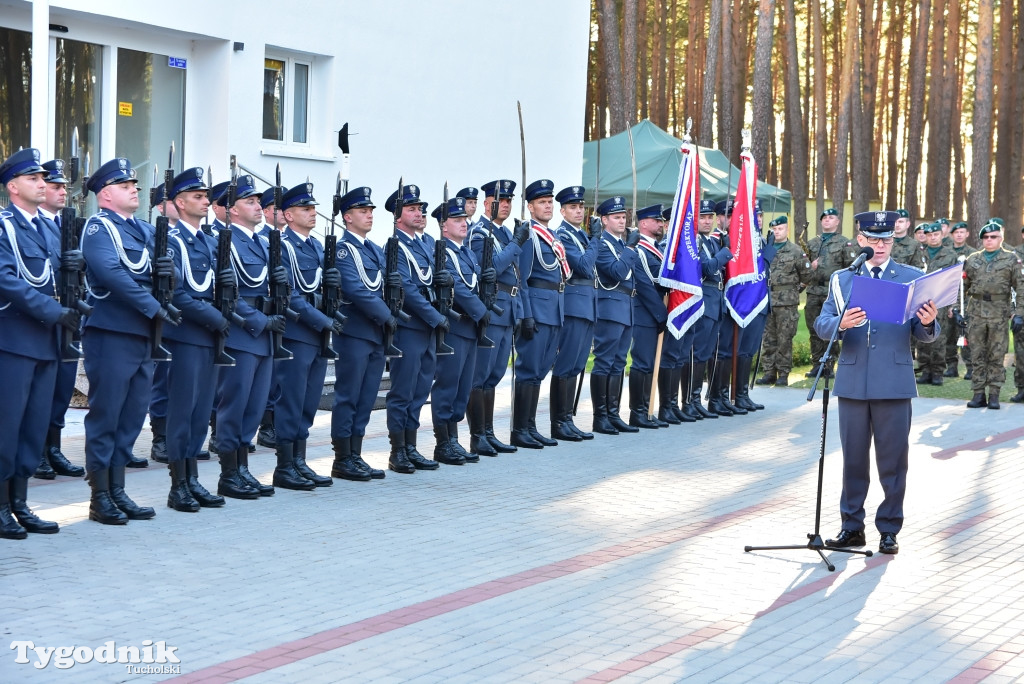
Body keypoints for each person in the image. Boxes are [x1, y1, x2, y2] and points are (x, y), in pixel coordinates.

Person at [816, 210, 939, 555]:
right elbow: (822, 322)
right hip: (853, 381)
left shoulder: (911, 277)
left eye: (886, 239)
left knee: (893, 460)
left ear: (893, 241)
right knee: (853, 460)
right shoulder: (842, 279)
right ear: (861, 241)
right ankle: (851, 527)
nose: (880, 245)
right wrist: (840, 324)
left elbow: (924, 333)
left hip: (894, 381)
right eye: (873, 239)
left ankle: (889, 529)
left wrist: (928, 323)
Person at [80, 157, 179, 525]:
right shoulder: (97, 228)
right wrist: (153, 305)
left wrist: (170, 277)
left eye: (134, 186)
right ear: (105, 194)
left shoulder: (145, 229)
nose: (134, 190)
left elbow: (173, 269)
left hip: (143, 335)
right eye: (125, 186)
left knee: (133, 414)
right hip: (112, 333)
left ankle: (118, 489)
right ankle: (99, 495)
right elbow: (112, 274)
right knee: (107, 413)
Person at [0, 148, 67, 538]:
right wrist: (54, 310)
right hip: (14, 339)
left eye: (43, 179)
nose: (42, 184)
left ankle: (20, 501)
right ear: (13, 187)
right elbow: (7, 279)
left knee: (33, 425)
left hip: (47, 341)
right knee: (7, 425)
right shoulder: (4, 225)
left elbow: (63, 276)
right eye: (33, 179)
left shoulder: (48, 228)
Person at [214, 174, 287, 499]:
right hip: (243, 334)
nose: (258, 207)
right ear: (231, 209)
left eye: (258, 201)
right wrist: (260, 320)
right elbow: (225, 293)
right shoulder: (223, 240)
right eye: (250, 201)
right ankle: (229, 473)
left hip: (264, 334)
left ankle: (243, 468)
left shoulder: (262, 241)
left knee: (255, 406)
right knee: (235, 404)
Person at [161, 167, 227, 511]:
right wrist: (216, 317)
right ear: (180, 202)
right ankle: (178, 485)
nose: (205, 202)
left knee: (202, 412)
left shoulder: (210, 241)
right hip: (186, 335)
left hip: (208, 338)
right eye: (199, 197)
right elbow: (178, 294)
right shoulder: (173, 241)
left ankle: (193, 479)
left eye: (206, 197)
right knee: (183, 411)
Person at [272, 182, 338, 489]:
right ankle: (285, 466)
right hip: (298, 333)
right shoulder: (282, 246)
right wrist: (322, 320)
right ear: (287, 214)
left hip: (317, 334)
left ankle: (299, 460)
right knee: (292, 401)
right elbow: (290, 296)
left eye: (313, 209)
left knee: (309, 402)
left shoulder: (315, 246)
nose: (313, 214)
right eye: (305, 209)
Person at [383, 184, 450, 473]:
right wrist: (434, 316)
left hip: (428, 330)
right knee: (403, 390)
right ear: (398, 216)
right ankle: (397, 450)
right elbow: (408, 289)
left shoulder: (425, 244)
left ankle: (411, 445)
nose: (419, 213)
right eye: (412, 209)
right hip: (410, 327)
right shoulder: (394, 246)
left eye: (420, 208)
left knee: (421, 389)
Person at [329, 187, 391, 481]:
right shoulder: (344, 250)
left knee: (367, 398)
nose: (369, 216)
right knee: (349, 396)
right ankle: (342, 458)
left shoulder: (374, 249)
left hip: (376, 335)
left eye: (371, 212)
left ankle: (356, 453)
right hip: (354, 333)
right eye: (363, 212)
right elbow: (355, 289)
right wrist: (388, 316)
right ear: (347, 217)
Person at [467, 180, 529, 455]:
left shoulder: (502, 234)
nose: (505, 205)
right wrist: (516, 243)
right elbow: (490, 268)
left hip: (508, 309)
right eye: (499, 200)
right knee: (480, 375)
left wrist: (523, 313)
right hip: (491, 308)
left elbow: (518, 276)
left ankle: (489, 432)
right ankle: (477, 435)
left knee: (494, 375)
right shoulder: (480, 233)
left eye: (508, 201)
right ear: (486, 203)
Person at [430, 197, 493, 464]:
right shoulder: (441, 252)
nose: (464, 224)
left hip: (469, 327)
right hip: (455, 326)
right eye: (457, 220)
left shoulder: (465, 252)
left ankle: (454, 440)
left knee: (463, 386)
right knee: (448, 384)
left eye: (464, 219)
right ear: (444, 226)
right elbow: (459, 290)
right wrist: (482, 311)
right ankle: (443, 443)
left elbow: (474, 285)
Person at [34, 158, 86, 479]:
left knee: (63, 386)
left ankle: (53, 447)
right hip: (42, 317)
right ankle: (37, 450)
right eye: (55, 186)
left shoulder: (69, 223)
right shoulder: (30, 224)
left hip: (69, 316)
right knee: (41, 388)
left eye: (65, 186)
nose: (62, 191)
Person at [513, 179, 567, 448]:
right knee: (528, 370)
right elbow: (522, 277)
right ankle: (519, 429)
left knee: (540, 372)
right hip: (536, 308)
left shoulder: (553, 236)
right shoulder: (530, 234)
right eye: (542, 203)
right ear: (530, 207)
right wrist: (526, 313)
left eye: (550, 202)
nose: (548, 206)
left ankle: (531, 426)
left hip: (554, 310)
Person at [551, 185, 599, 440]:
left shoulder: (581, 236)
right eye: (573, 207)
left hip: (587, 305)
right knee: (567, 363)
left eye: (581, 207)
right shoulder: (564, 235)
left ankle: (567, 418)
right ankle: (558, 422)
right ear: (563, 210)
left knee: (578, 364)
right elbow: (581, 266)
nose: (579, 211)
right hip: (573, 305)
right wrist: (597, 240)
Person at [591, 196, 641, 434]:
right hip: (610, 306)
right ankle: (600, 416)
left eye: (624, 217)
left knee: (619, 363)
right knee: (605, 361)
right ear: (604, 220)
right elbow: (616, 272)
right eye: (616, 217)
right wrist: (631, 248)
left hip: (627, 306)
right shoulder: (602, 244)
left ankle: (613, 413)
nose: (622, 221)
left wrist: (628, 248)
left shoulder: (622, 245)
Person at [962, 221, 1023, 410]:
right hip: (976, 311)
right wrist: (957, 310)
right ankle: (978, 394)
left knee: (997, 354)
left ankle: (994, 394)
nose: (989, 240)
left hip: (999, 312)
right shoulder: (972, 259)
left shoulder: (1011, 260)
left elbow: (1020, 288)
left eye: (993, 237)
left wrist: (1019, 313)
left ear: (1001, 238)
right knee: (977, 354)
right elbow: (961, 288)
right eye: (986, 237)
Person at [688, 199, 733, 419]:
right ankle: (691, 399)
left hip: (715, 300)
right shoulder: (694, 241)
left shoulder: (711, 241)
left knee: (706, 353)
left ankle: (699, 399)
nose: (707, 221)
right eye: (702, 217)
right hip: (704, 299)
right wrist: (725, 251)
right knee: (698, 352)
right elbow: (706, 268)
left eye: (709, 217)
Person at [804, 208, 859, 378]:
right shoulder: (812, 243)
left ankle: (829, 366)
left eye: (831, 217)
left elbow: (851, 268)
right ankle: (816, 365)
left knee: (833, 327)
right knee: (814, 328)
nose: (827, 220)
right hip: (814, 290)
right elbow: (804, 268)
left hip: (833, 291)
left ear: (837, 222)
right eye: (824, 218)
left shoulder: (844, 243)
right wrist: (810, 267)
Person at [757, 216, 812, 387]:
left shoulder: (795, 251)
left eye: (780, 228)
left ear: (786, 229)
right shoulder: (765, 249)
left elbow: (807, 274)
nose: (776, 232)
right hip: (767, 300)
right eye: (774, 229)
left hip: (787, 303)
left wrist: (796, 289)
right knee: (768, 338)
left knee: (785, 339)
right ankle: (769, 372)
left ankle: (783, 373)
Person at [628, 204, 669, 429]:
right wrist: (660, 313)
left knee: (651, 363)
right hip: (645, 313)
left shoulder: (658, 249)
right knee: (642, 363)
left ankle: (647, 409)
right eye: (656, 220)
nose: (661, 224)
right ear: (644, 223)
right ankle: (638, 412)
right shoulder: (640, 249)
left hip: (655, 312)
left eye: (661, 221)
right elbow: (644, 284)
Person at [915, 222, 957, 386]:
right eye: (929, 235)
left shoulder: (949, 255)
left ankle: (938, 372)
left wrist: (953, 304)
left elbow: (954, 281)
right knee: (921, 337)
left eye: (936, 234)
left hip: (940, 301)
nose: (932, 238)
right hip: (920, 300)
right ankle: (925, 370)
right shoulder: (919, 253)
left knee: (939, 337)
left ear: (942, 235)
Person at [945, 222, 977, 379]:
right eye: (956, 232)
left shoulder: (973, 254)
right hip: (947, 297)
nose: (958, 235)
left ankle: (970, 367)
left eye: (962, 232)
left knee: (965, 333)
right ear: (952, 235)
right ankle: (951, 366)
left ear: (967, 234)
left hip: (965, 299)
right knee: (948, 334)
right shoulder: (946, 253)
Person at [1013, 226, 1024, 403]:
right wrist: (1014, 312)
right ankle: (1022, 389)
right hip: (1021, 309)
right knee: (1021, 353)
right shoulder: (1015, 254)